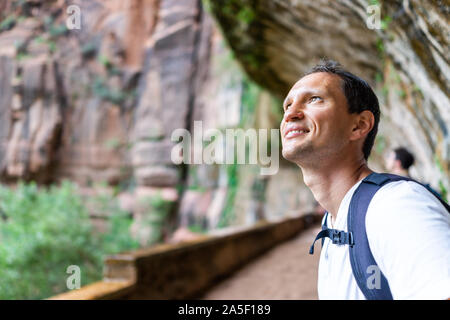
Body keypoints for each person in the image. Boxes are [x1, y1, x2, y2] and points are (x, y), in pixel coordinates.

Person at [280, 59, 450, 300]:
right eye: (287, 106)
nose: (290, 114)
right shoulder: (335, 220)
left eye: (314, 99)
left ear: (359, 125)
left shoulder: (396, 207)